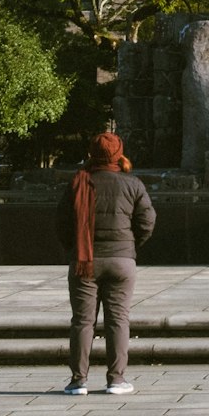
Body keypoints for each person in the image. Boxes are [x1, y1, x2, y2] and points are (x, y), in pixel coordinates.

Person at [55, 132, 155, 396]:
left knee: (82, 321)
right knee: (118, 320)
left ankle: (78, 381)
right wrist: (130, 247)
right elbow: (147, 222)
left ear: (91, 154)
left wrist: (74, 249)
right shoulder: (133, 184)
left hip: (84, 261)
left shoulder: (78, 182)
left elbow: (62, 223)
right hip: (122, 261)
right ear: (119, 153)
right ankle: (116, 380)